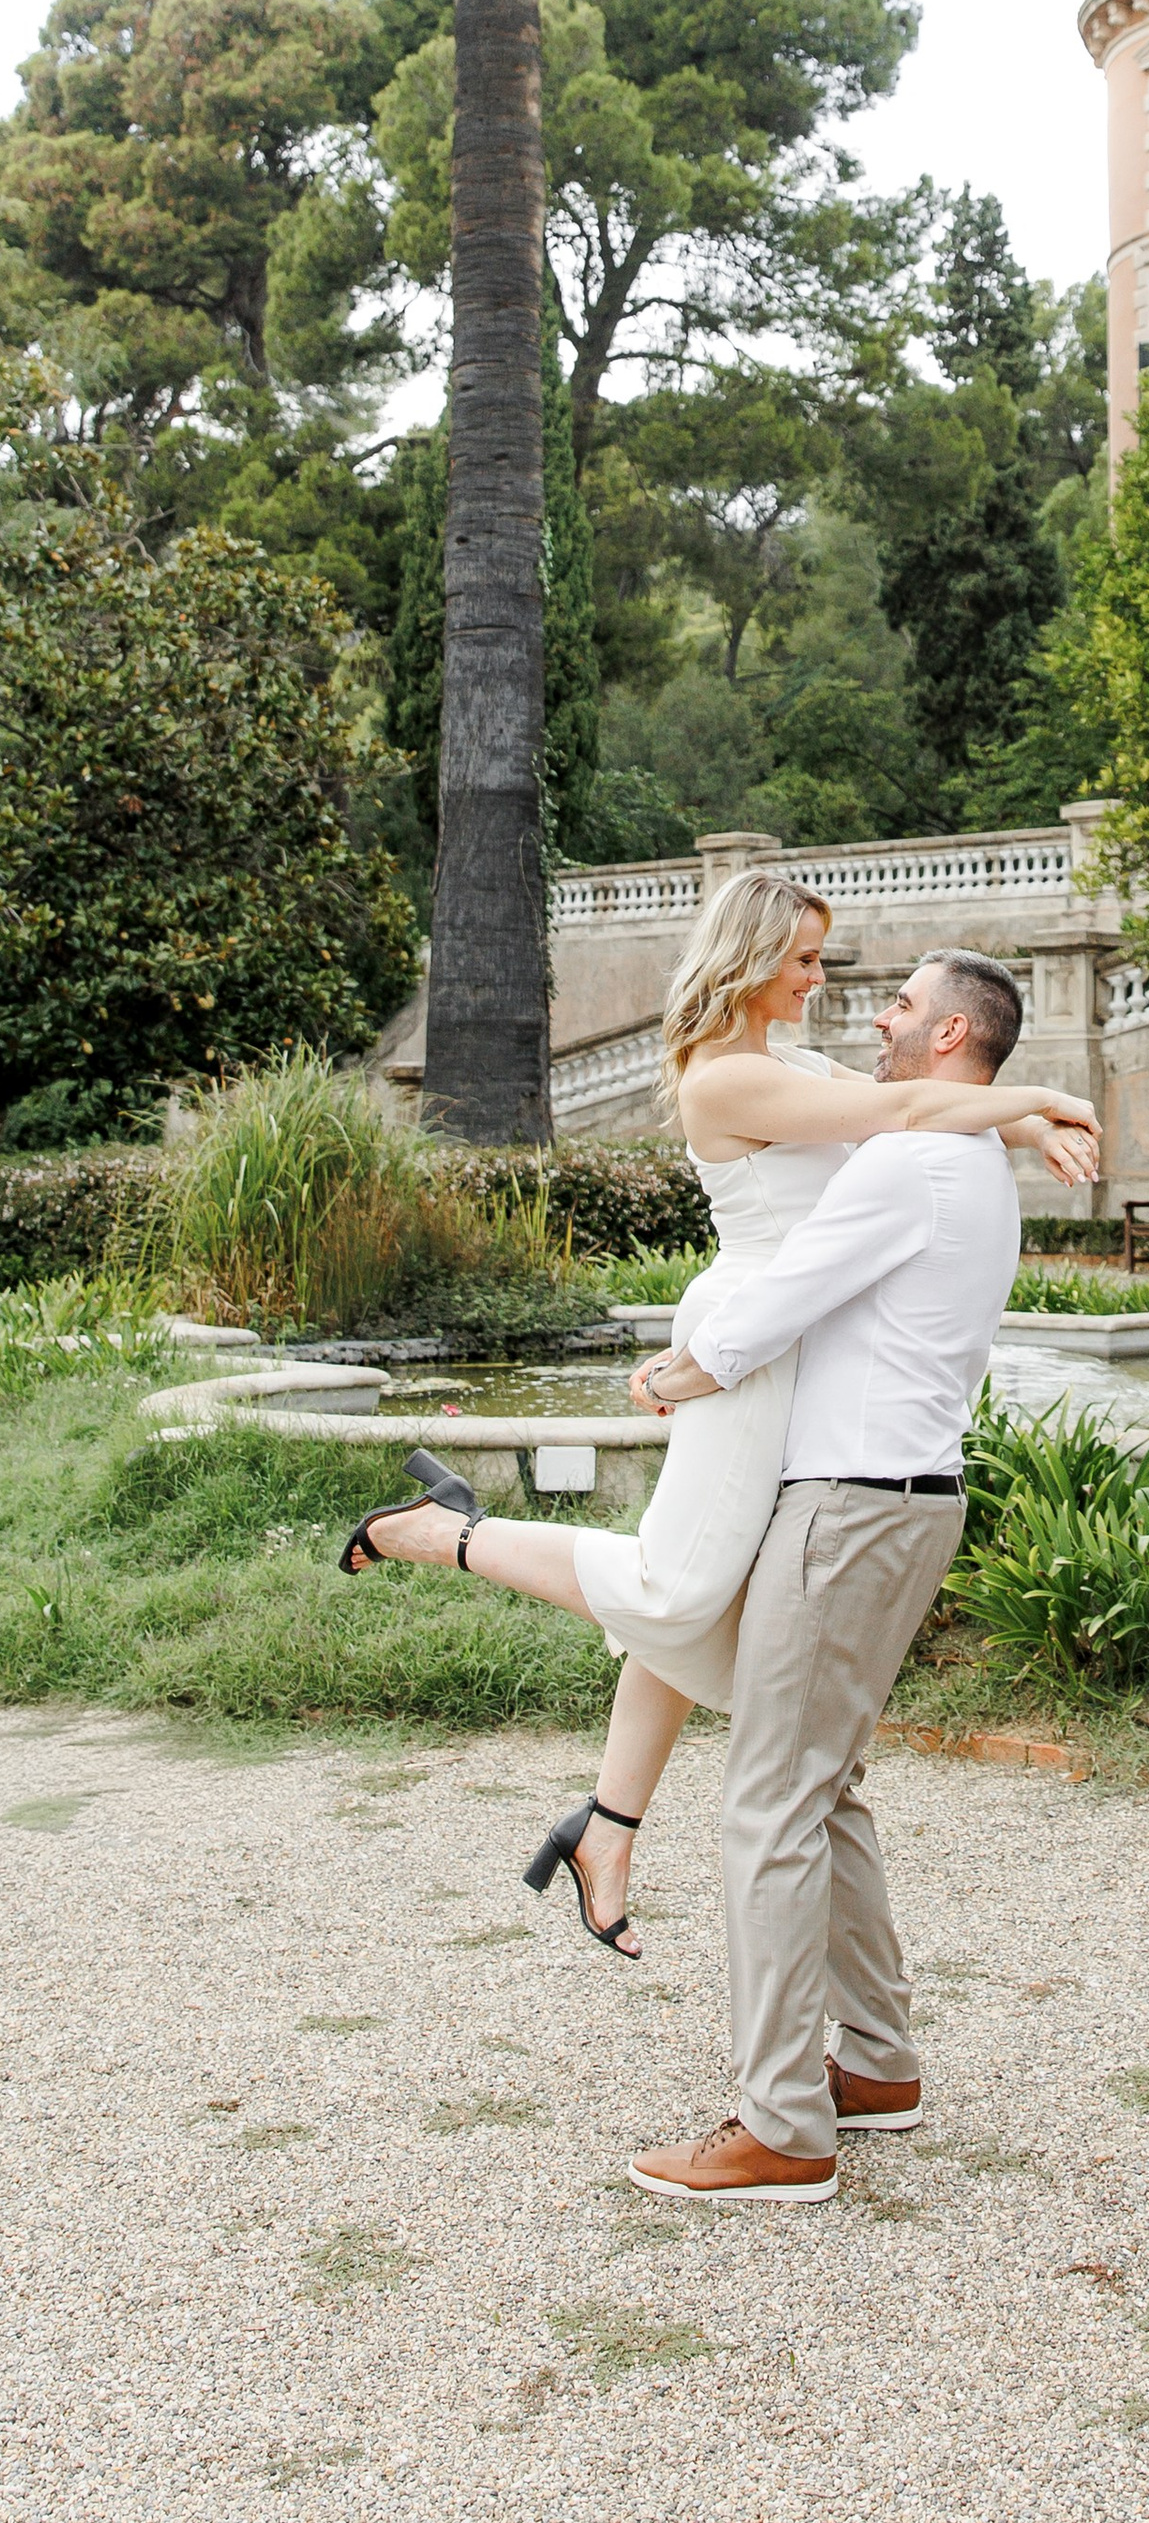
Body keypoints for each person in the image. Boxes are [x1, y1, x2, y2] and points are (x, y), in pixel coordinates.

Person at [340, 877, 1099, 1963]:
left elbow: (918, 1099)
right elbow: (899, 1108)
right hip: (744, 1341)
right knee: (682, 1588)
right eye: (803, 961)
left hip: (790, 1347)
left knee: (709, 1589)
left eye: (821, 962)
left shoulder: (788, 1063)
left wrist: (1021, 1116)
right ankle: (438, 1531)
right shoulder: (727, 1079)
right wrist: (1042, 1104)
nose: (820, 982)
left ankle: (607, 1827)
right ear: (749, 960)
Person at [623, 946, 1032, 2201]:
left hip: (850, 1508)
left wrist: (674, 1371)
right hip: (905, 1499)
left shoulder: (909, 1160)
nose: (881, 1014)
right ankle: (881, 2068)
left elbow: (774, 1304)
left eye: (905, 1003)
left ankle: (783, 2126)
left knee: (769, 1807)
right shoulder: (963, 1153)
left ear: (953, 1035)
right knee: (824, 1786)